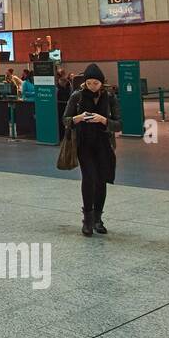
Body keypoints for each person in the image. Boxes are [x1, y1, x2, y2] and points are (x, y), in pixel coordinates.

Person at [63, 63, 121, 237]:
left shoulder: (109, 97)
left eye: (95, 83)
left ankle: (98, 218)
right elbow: (65, 119)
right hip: (84, 143)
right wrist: (77, 118)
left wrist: (104, 120)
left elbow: (119, 123)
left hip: (103, 143)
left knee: (102, 180)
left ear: (101, 83)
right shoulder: (77, 96)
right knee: (89, 178)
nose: (92, 86)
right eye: (89, 83)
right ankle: (87, 219)